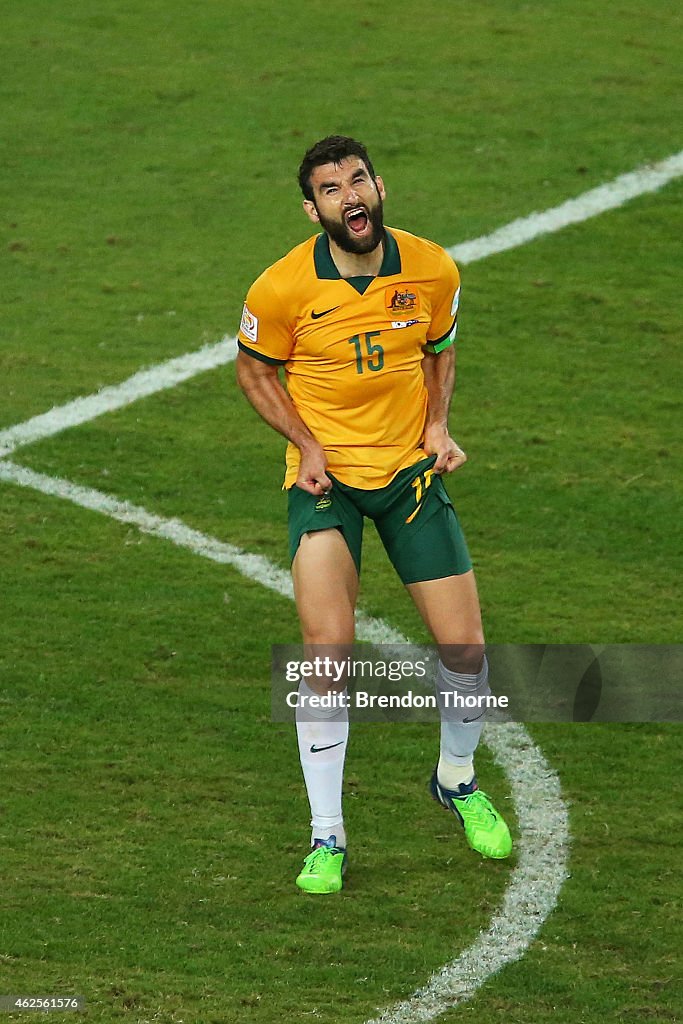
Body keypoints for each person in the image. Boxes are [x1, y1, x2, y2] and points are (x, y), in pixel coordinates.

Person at [236, 136, 512, 894]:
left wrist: (438, 426)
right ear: (312, 208)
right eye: (331, 189)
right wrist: (305, 444)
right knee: (327, 655)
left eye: (357, 180)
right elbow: (254, 371)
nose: (349, 196)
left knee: (463, 650)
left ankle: (455, 780)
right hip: (325, 484)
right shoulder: (281, 288)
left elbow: (439, 345)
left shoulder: (432, 268)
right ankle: (327, 837)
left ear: (378, 185)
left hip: (406, 476)